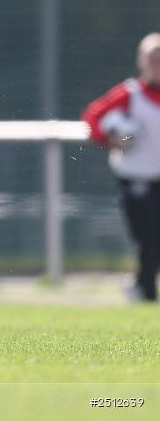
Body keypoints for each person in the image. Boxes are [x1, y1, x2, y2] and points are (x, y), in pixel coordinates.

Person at [81, 33, 160, 303]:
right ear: (142, 62)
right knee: (148, 239)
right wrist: (112, 140)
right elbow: (92, 117)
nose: (157, 64)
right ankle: (146, 294)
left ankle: (139, 284)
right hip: (136, 177)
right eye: (153, 59)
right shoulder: (130, 94)